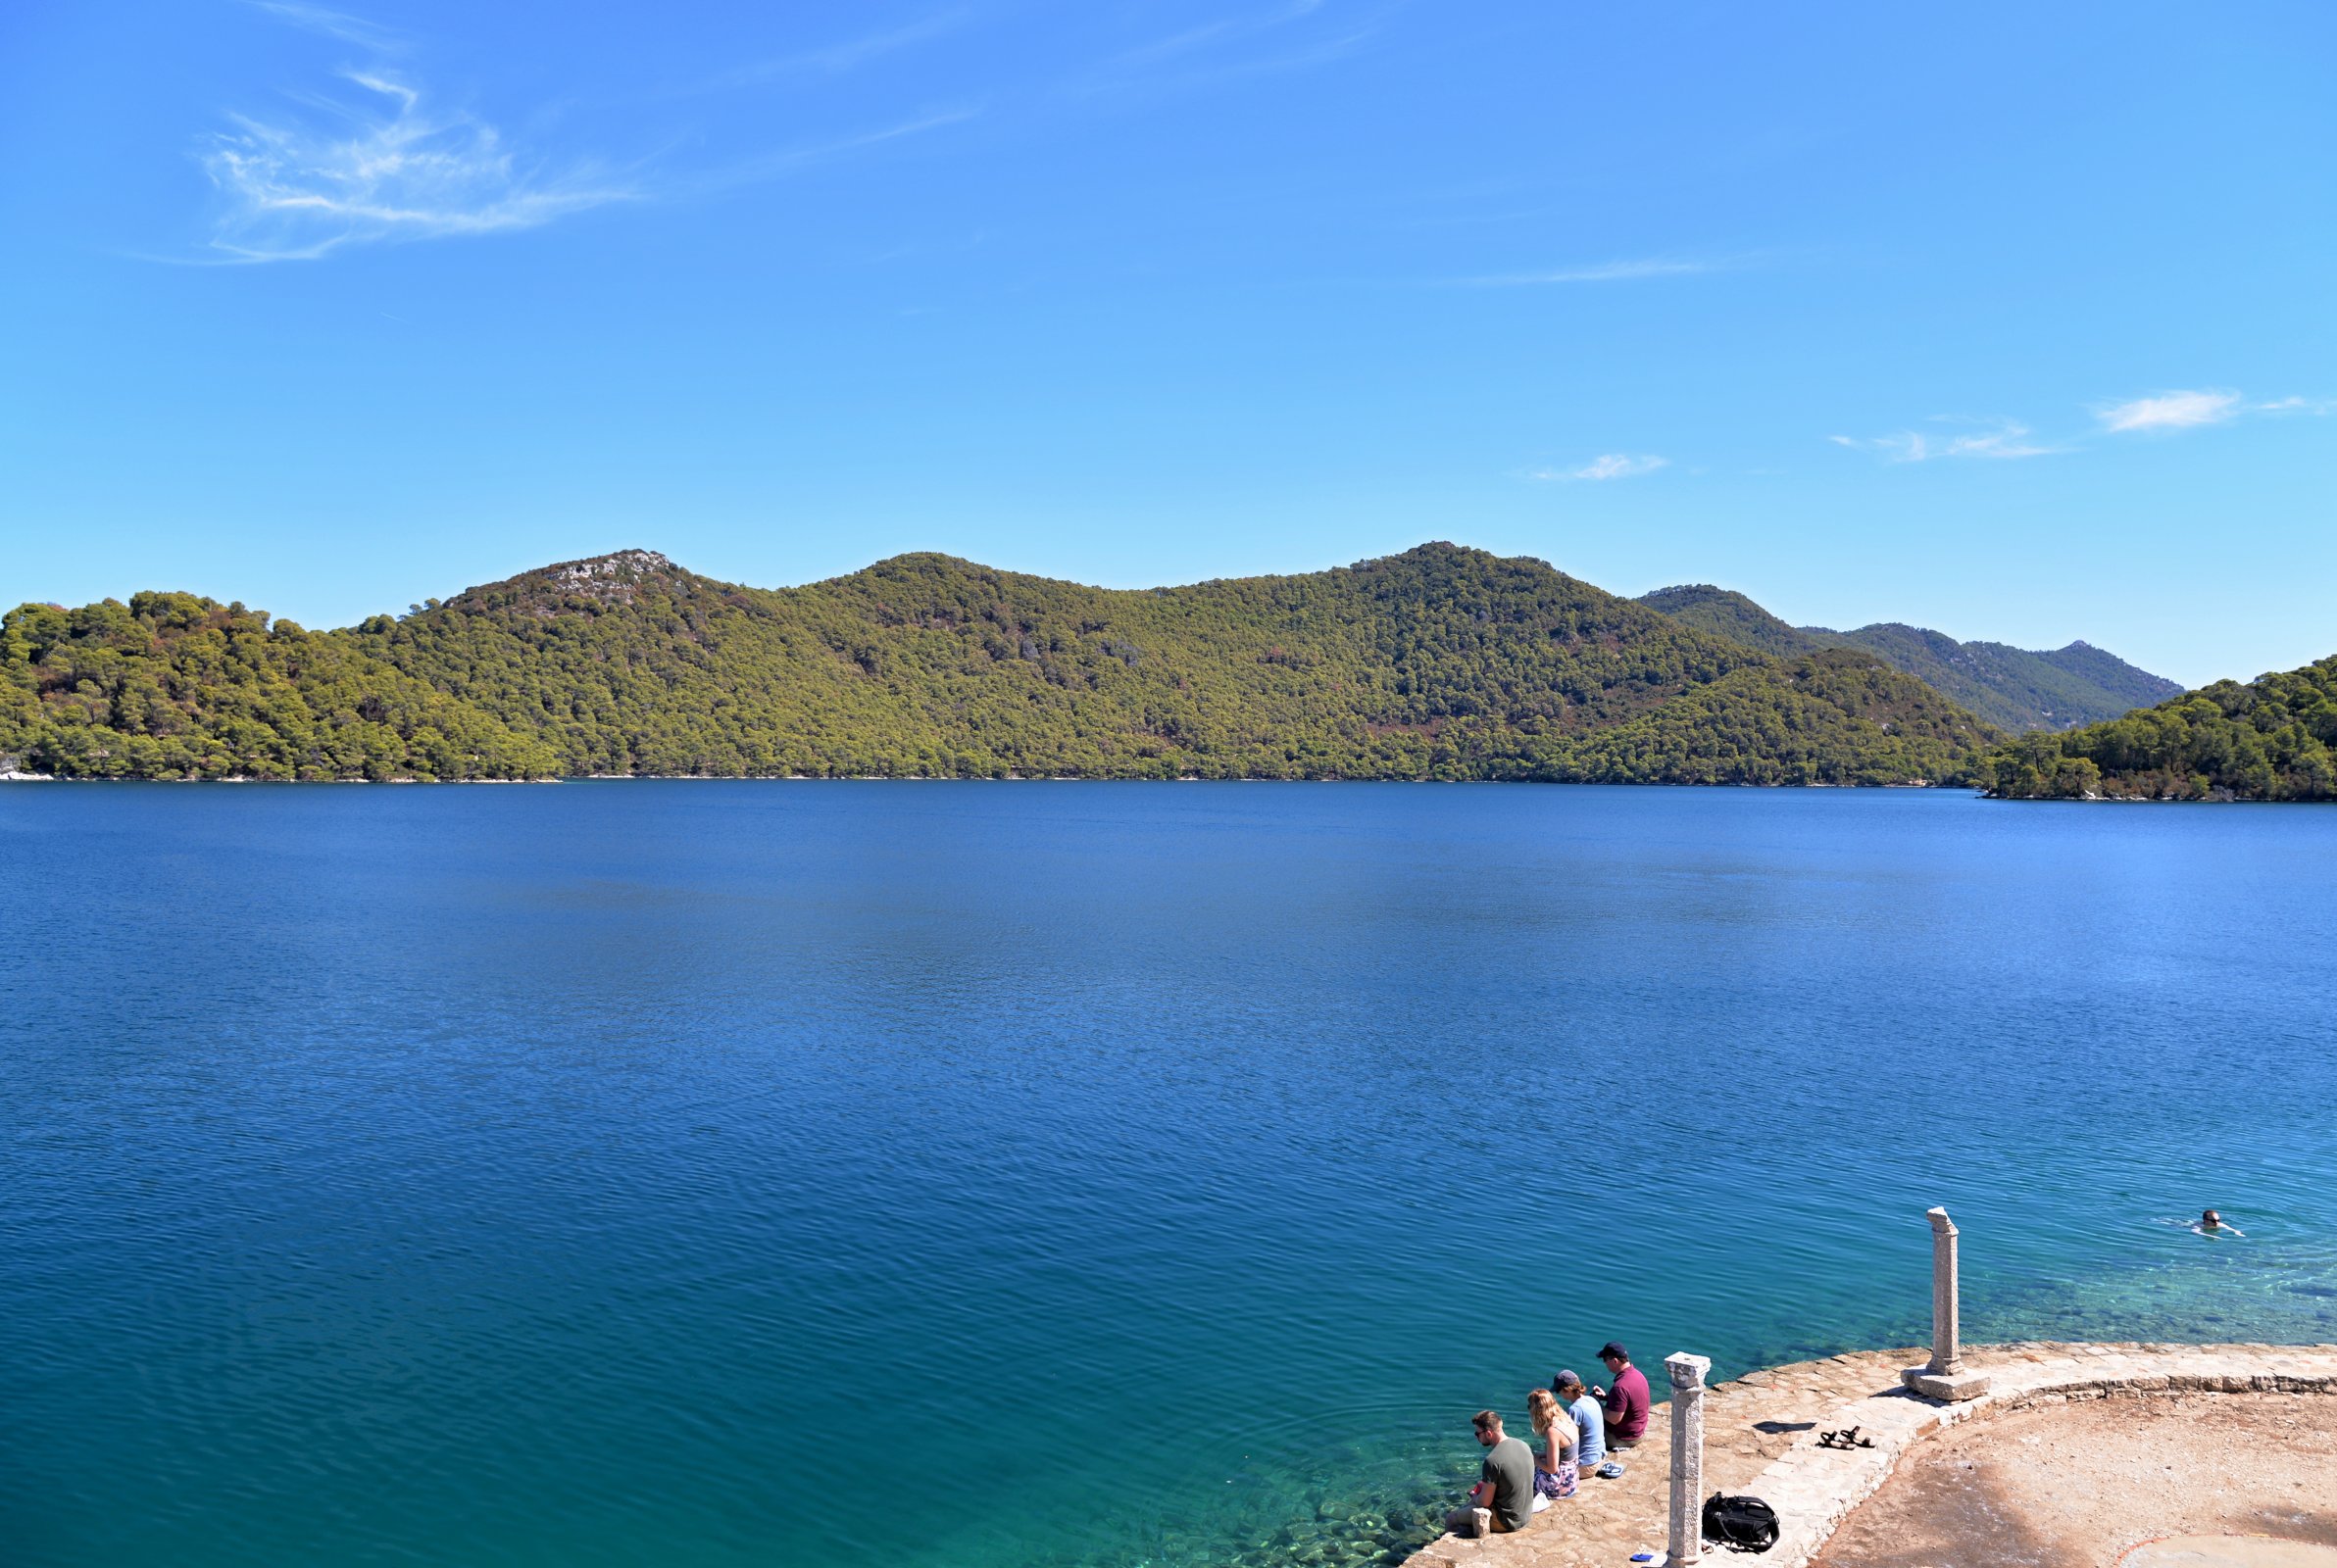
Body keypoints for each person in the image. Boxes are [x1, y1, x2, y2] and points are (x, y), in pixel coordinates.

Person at [1445, 1409, 1535, 1537]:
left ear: (1488, 1433)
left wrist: (1475, 1497)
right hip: (1525, 1515)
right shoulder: (1523, 1445)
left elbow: (1484, 1503)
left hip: (1507, 1521)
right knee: (1479, 1492)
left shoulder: (1492, 1460)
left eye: (1477, 1434)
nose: (1476, 1437)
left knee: (1451, 1518)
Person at [1525, 1386, 1579, 1502]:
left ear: (1537, 1410)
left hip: (1558, 1485)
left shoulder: (1552, 1431)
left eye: (1530, 1407)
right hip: (1572, 1480)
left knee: (1521, 1473)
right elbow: (1565, 1453)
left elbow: (1552, 1469)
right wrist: (1542, 1455)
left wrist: (1533, 1459)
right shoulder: (1565, 1418)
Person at [1592, 1342, 1651, 1448]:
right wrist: (1607, 1398)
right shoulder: (1638, 1375)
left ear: (1615, 1361)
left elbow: (1614, 1419)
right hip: (1638, 1431)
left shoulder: (1620, 1386)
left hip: (1624, 1438)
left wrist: (1596, 1404)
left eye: (1605, 1360)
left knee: (1585, 1427)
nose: (1605, 1363)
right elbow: (1629, 1401)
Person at [1554, 1369, 1606, 1472]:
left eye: (1558, 1390)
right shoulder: (1592, 1400)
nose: (1558, 1394)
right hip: (1600, 1457)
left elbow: (1570, 1442)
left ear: (1566, 1390)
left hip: (1586, 1465)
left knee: (1543, 1468)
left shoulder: (1575, 1410)